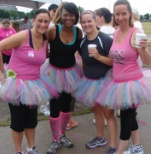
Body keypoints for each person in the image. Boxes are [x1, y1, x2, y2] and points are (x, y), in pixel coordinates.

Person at [96, 0, 151, 153]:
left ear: (129, 14)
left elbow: (147, 61)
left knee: (126, 119)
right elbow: (114, 57)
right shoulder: (116, 33)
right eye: (117, 14)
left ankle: (120, 151)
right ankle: (137, 147)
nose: (120, 17)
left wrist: (144, 48)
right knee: (131, 116)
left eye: (124, 13)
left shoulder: (135, 33)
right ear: (114, 15)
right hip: (117, 82)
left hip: (132, 84)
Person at [0, 9, 56, 154]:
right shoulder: (23, 35)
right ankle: (19, 151)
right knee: (18, 123)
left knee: (31, 121)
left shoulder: (45, 39)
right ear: (33, 20)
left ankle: (31, 148)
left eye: (46, 21)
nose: (43, 24)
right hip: (16, 85)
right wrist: (1, 72)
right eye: (40, 20)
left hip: (34, 85)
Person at [73, 10, 117, 154]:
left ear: (95, 21)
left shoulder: (104, 39)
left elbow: (114, 62)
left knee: (108, 114)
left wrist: (98, 57)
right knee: (96, 111)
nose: (86, 24)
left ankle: (113, 146)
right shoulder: (83, 42)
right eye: (83, 22)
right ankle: (100, 137)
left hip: (105, 82)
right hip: (90, 83)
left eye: (89, 21)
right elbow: (85, 62)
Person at [40, 2, 83, 154]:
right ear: (60, 15)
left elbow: (81, 52)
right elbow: (43, 52)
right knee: (54, 107)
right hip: (53, 74)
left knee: (66, 107)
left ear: (76, 16)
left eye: (71, 15)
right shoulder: (53, 30)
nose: (68, 18)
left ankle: (63, 134)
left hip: (71, 74)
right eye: (65, 14)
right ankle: (55, 139)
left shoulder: (78, 32)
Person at [93, 7, 116, 126]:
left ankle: (103, 117)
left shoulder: (101, 32)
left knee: (101, 94)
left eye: (96, 16)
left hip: (103, 68)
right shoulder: (115, 31)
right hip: (116, 68)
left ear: (102, 17)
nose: (95, 19)